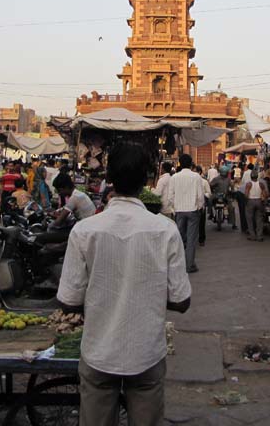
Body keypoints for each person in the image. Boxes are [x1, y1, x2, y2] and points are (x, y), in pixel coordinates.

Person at [57, 141, 191, 426]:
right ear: (147, 179)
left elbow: (68, 300)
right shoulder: (165, 230)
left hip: (98, 352)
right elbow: (181, 301)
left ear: (110, 177)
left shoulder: (84, 231)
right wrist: (147, 290)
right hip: (146, 353)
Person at [167, 154, 205, 273]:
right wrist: (199, 207)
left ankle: (178, 264)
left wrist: (174, 209)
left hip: (179, 211)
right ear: (191, 164)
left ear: (179, 163)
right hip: (192, 211)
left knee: (179, 239)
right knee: (191, 239)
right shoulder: (196, 177)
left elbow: (170, 197)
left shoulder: (174, 177)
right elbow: (200, 196)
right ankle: (190, 265)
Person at [244, 169, 268, 241]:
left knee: (249, 219)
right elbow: (265, 194)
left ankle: (252, 236)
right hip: (259, 201)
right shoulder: (261, 184)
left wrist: (246, 201)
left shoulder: (248, 184)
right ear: (257, 177)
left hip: (251, 201)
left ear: (251, 177)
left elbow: (246, 195)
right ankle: (259, 236)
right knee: (259, 219)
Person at [209, 165, 234, 230]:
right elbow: (210, 185)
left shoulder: (228, 179)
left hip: (225, 195)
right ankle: (210, 213)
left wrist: (232, 191)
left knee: (231, 207)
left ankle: (233, 223)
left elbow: (232, 187)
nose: (224, 174)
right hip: (216, 195)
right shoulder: (216, 178)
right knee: (210, 200)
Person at [195, 165, 211, 246]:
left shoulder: (204, 182)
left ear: (199, 172)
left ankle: (201, 239)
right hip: (192, 206)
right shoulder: (192, 181)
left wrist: (203, 195)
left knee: (201, 223)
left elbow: (209, 193)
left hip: (201, 205)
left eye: (196, 171)